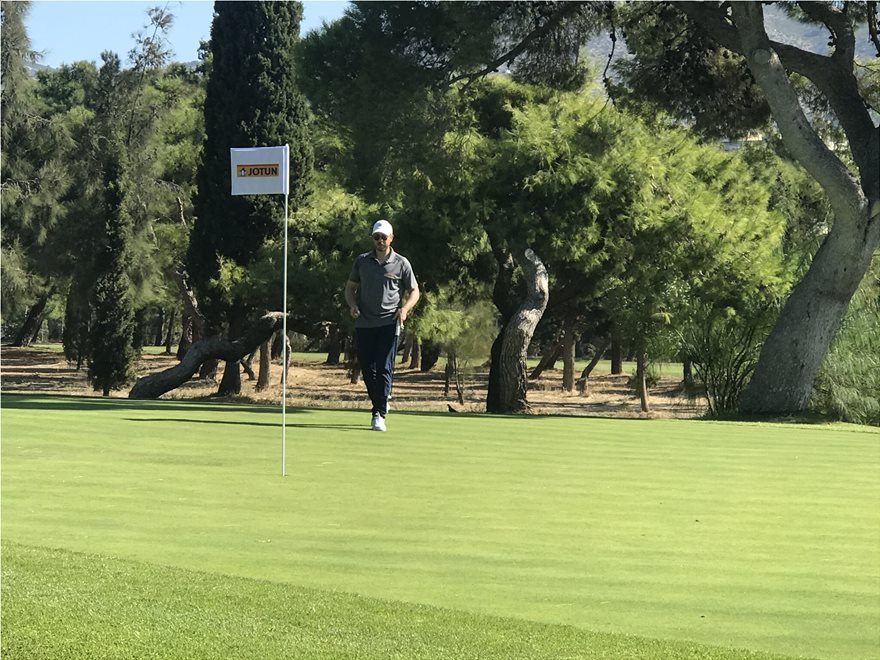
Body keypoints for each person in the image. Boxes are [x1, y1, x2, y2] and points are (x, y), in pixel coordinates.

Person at [345, 219, 420, 431]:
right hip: (365, 323)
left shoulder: (401, 263)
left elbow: (414, 291)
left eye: (383, 237)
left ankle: (378, 413)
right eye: (376, 237)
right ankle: (381, 399)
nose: (380, 241)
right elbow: (350, 287)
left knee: (384, 366)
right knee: (368, 368)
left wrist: (404, 309)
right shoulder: (362, 261)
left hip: (389, 322)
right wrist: (352, 305)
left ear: (391, 238)